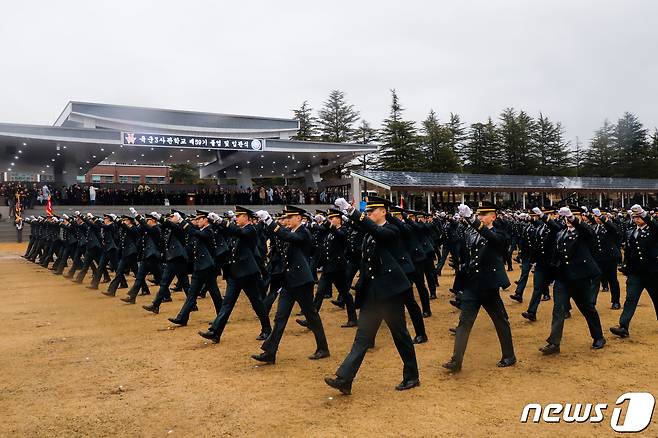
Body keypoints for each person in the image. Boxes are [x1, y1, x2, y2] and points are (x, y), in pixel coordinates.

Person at [325, 196, 419, 394]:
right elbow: (363, 229)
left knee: (400, 335)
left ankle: (412, 376)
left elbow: (376, 231)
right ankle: (345, 378)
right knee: (362, 337)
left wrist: (352, 212)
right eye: (367, 211)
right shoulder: (369, 232)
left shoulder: (392, 230)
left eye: (372, 211)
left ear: (384, 211)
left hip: (390, 292)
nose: (369, 214)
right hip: (373, 293)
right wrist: (347, 214)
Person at [442, 202, 516, 373]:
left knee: (500, 320)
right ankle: (456, 360)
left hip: (488, 285)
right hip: (472, 284)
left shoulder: (499, 233)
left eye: (484, 214)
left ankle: (509, 355)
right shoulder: (471, 231)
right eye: (479, 214)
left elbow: (492, 238)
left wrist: (473, 220)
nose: (481, 217)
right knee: (464, 322)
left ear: (493, 217)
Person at [251, 205, 330, 364]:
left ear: (300, 218)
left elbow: (286, 236)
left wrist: (269, 221)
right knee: (280, 318)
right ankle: (270, 352)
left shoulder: (303, 233)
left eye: (290, 217)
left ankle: (323, 348)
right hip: (289, 281)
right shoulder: (291, 232)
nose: (287, 220)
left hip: (302, 281)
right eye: (286, 217)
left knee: (312, 316)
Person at [197, 207, 271, 343]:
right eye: (236, 216)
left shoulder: (250, 230)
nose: (237, 218)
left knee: (256, 303)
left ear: (247, 217)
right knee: (227, 304)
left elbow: (237, 231)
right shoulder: (238, 230)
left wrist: (221, 221)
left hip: (247, 273)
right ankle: (215, 331)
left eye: (240, 216)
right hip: (235, 273)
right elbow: (227, 231)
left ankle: (267, 329)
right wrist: (216, 222)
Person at [538, 206, 606, 355]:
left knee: (587, 308)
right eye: (567, 217)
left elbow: (586, 231)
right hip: (562, 277)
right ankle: (554, 343)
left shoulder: (584, 232)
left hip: (579, 278)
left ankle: (598, 336)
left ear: (581, 217)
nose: (568, 220)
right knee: (558, 309)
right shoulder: (561, 233)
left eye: (572, 217)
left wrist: (573, 219)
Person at [167, 210, 223, 327]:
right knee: (193, 294)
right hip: (200, 267)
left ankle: (221, 316)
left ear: (205, 220)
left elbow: (193, 233)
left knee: (214, 293)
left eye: (199, 219)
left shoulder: (208, 231)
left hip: (207, 267)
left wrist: (182, 221)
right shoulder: (202, 230)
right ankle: (182, 317)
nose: (197, 221)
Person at [610, 204, 658, 338]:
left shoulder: (653, 229)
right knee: (630, 299)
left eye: (639, 217)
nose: (636, 219)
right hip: (636, 273)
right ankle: (623, 326)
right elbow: (629, 252)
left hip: (652, 272)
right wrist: (627, 268)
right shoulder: (631, 231)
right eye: (634, 217)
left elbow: (655, 225)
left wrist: (644, 214)